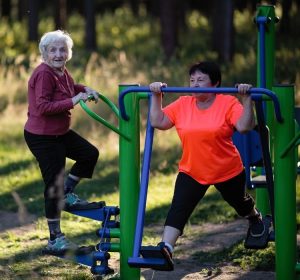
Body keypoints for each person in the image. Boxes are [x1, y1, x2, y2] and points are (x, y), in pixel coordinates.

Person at [149, 61, 265, 268]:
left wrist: (247, 101)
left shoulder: (227, 103)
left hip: (226, 169)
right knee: (179, 208)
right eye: (192, 80)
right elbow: (159, 122)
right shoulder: (183, 103)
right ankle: (166, 247)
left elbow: (245, 127)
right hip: (193, 169)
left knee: (240, 202)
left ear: (215, 83)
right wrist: (156, 96)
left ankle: (255, 218)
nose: (194, 84)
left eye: (201, 80)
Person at [24, 30, 103, 255]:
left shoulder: (62, 72)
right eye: (53, 50)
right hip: (42, 137)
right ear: (44, 53)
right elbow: (42, 107)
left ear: (68, 53)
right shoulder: (44, 74)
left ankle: (67, 194)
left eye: (63, 50)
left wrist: (85, 89)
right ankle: (55, 240)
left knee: (89, 154)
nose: (59, 54)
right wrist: (74, 100)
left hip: (60, 133)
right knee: (53, 185)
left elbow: (71, 88)